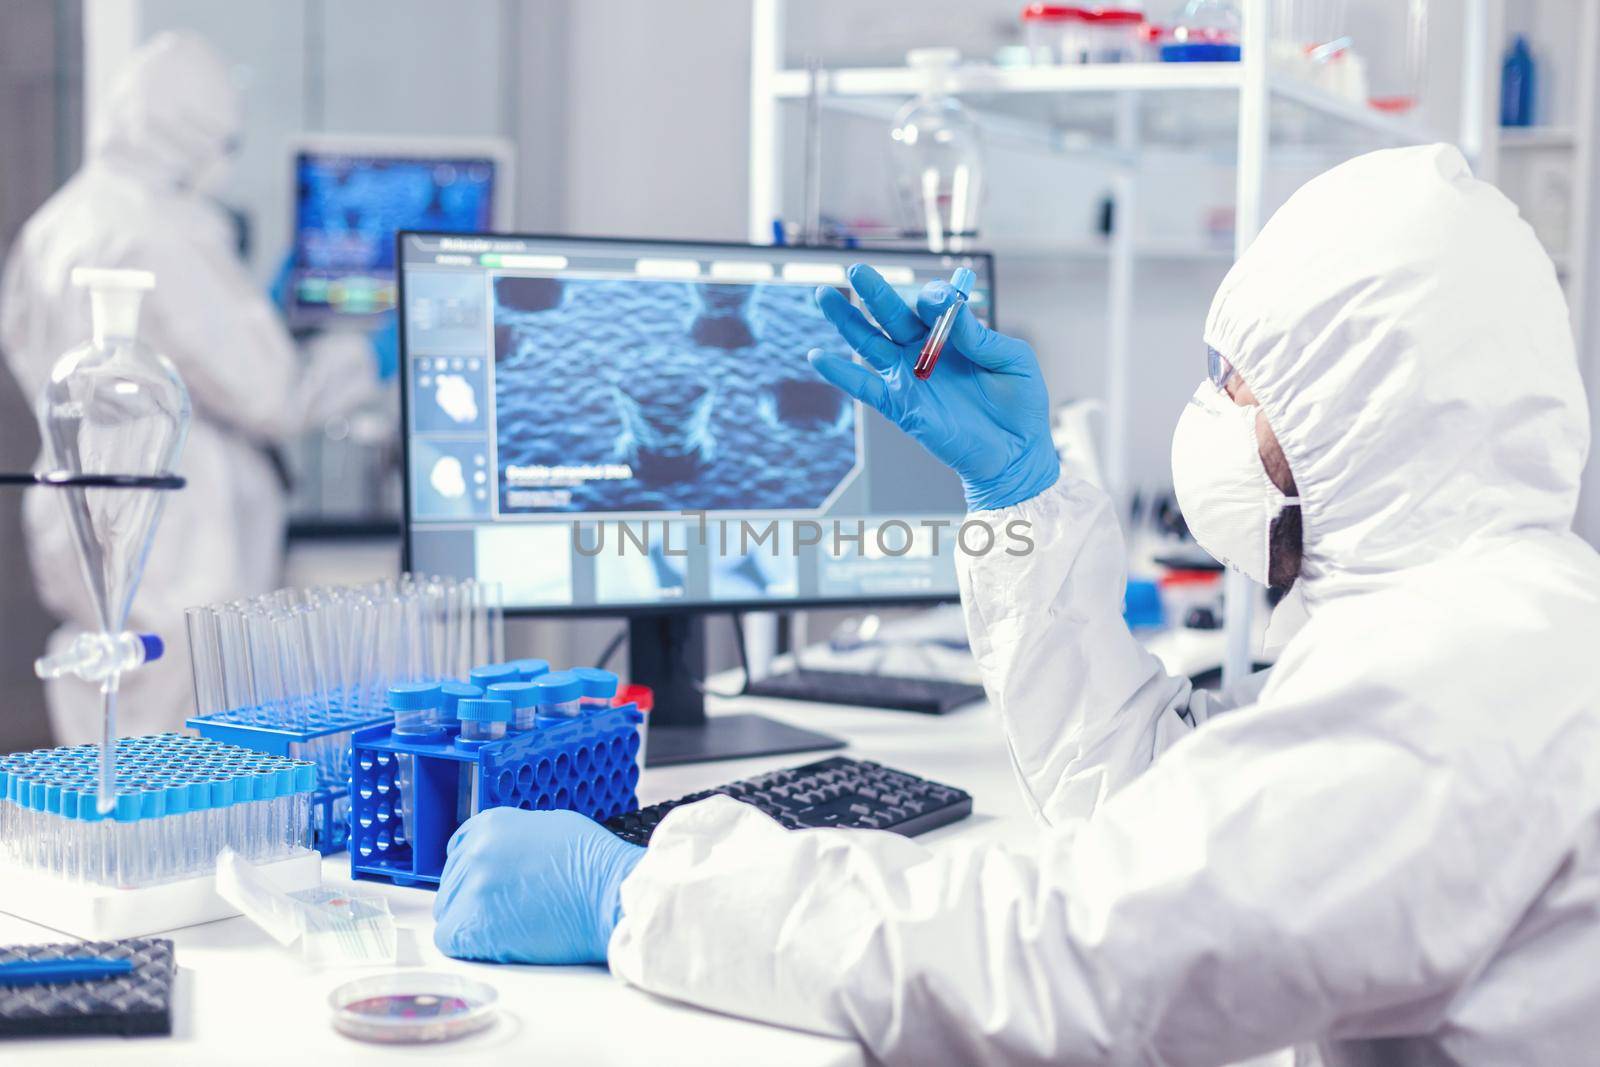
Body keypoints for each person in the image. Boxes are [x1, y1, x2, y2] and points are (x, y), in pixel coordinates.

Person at [432, 145, 1600, 1064]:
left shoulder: (1458, 678)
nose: (1207, 410)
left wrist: (641, 891)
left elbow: (1073, 952)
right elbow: (1179, 826)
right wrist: (1023, 498)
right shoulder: (1485, 610)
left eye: (1231, 380)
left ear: (1353, 411)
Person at [0, 31, 381, 743]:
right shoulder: (157, 231)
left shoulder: (55, 224)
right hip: (175, 544)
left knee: (105, 728)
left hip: (80, 520)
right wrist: (357, 356)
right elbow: (271, 394)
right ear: (194, 134)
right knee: (175, 770)